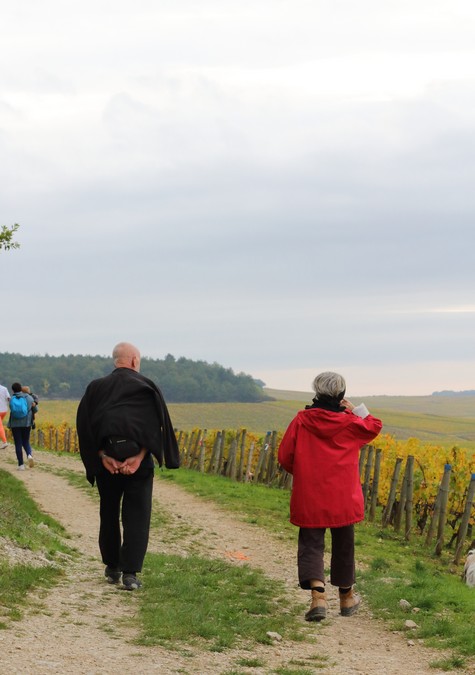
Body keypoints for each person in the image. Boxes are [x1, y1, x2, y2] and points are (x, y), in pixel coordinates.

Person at [278, 371, 382, 622]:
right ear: (341, 395)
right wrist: (356, 409)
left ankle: (318, 598)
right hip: (343, 495)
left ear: (317, 392)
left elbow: (284, 456)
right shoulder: (351, 423)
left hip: (310, 493)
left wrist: (304, 473)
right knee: (344, 544)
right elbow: (375, 426)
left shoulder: (302, 420)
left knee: (311, 543)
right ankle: (347, 598)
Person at [76, 342, 180, 591]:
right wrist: (141, 455)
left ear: (116, 361)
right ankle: (130, 573)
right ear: (134, 361)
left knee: (109, 512)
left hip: (107, 464)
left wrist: (102, 456)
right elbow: (157, 425)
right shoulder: (146, 387)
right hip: (139, 464)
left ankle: (112, 567)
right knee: (137, 516)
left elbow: (85, 427)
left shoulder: (96, 388)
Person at [8, 382, 36, 469]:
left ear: (13, 390)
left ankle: (21, 465)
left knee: (18, 443)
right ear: (21, 388)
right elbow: (35, 410)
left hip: (15, 424)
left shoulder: (12, 399)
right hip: (26, 424)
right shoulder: (29, 398)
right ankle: (29, 455)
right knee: (26, 441)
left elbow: (12, 410)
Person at [0, 381, 10, 449]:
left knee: (0, 426)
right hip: (4, 410)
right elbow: (9, 398)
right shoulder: (4, 388)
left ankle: (4, 441)